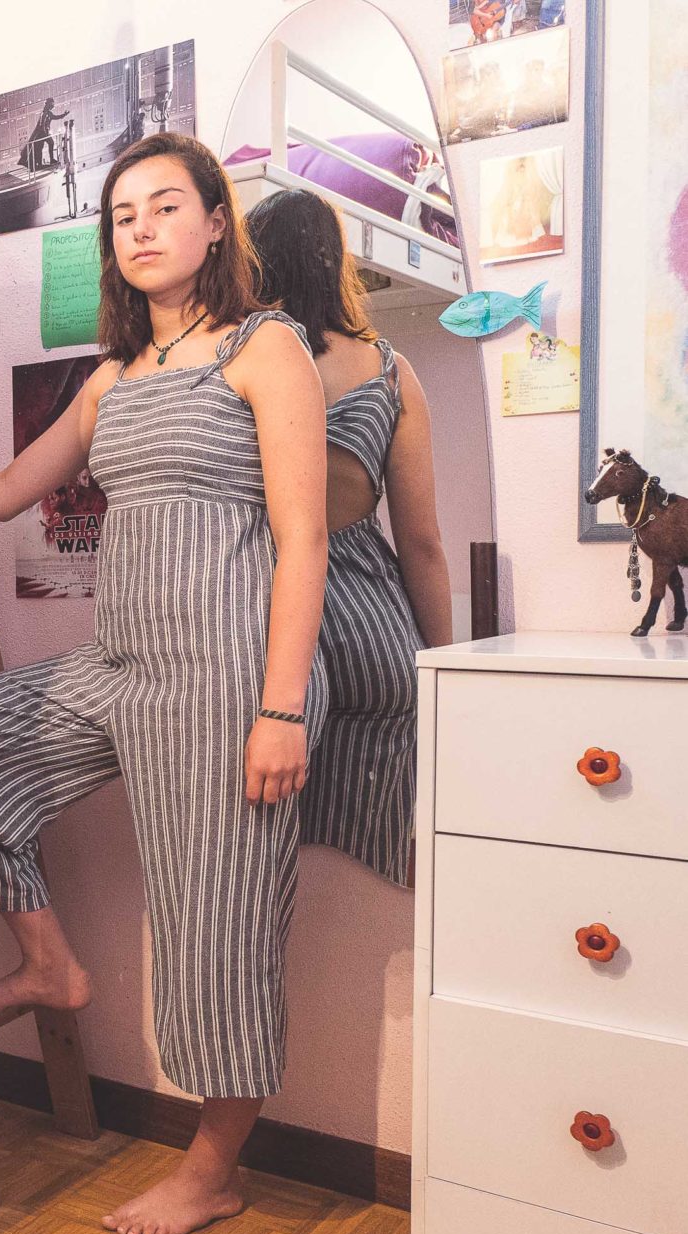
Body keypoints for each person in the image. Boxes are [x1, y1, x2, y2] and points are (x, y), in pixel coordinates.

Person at [0, 131, 328, 1234]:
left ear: (215, 223)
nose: (141, 229)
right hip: (119, 666)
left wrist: (281, 707)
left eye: (164, 207)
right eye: (122, 215)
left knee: (218, 924)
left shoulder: (264, 347)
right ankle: (49, 961)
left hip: (227, 679)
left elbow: (305, 539)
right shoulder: (112, 379)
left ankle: (211, 1170)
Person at [247, 188, 453, 887]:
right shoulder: (390, 370)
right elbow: (422, 543)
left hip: (269, 622)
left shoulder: (239, 363)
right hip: (375, 630)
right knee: (380, 863)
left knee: (268, 861)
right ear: (334, 263)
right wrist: (441, 669)